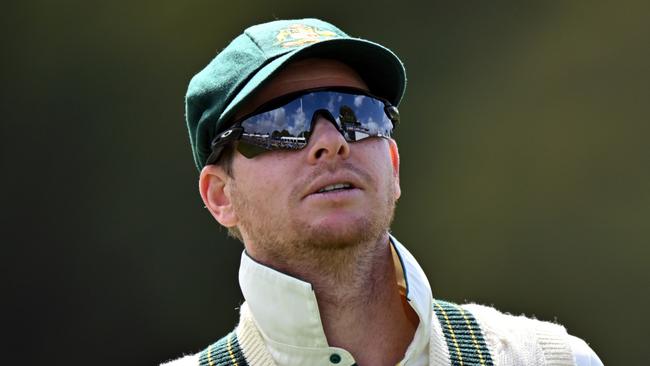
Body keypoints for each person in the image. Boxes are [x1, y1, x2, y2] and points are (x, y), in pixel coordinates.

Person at [163, 18, 603, 366]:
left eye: (356, 114)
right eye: (282, 124)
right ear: (220, 196)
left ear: (393, 166)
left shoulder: (555, 360)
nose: (331, 140)